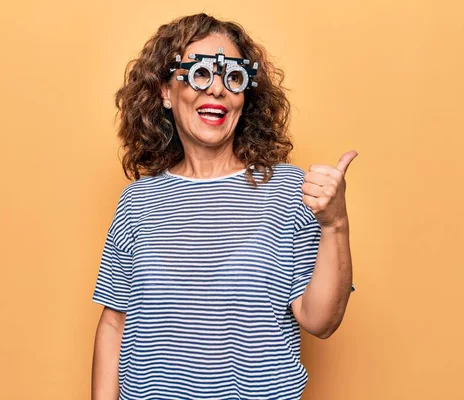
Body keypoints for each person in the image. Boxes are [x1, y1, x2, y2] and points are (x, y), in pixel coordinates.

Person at [91, 13, 356, 400]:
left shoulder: (288, 190)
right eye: (200, 73)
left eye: (233, 77)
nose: (217, 90)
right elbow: (115, 323)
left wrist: (336, 225)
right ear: (166, 91)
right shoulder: (138, 201)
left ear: (245, 96)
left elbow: (320, 321)